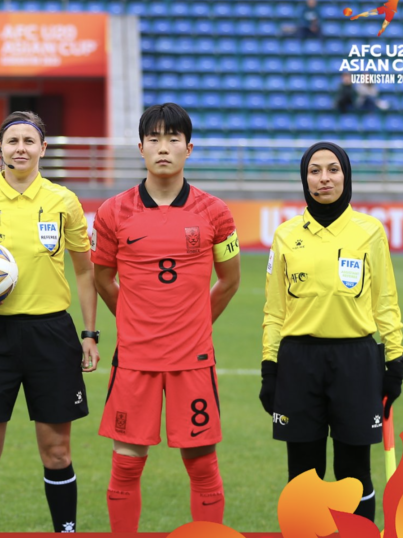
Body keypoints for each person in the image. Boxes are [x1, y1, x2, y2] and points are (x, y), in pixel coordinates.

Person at [0, 110, 100, 533]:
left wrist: (89, 333)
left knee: (57, 451)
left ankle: (64, 530)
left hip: (51, 334)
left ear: (43, 148)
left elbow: (85, 272)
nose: (21, 148)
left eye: (29, 141)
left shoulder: (63, 201)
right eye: (12, 141)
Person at [93, 103, 241, 532]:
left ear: (188, 148)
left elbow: (229, 281)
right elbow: (103, 278)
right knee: (125, 466)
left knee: (202, 467)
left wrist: (192, 325)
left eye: (173, 139)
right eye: (154, 139)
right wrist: (140, 322)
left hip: (192, 361)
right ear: (140, 147)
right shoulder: (112, 212)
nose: (163, 147)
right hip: (135, 360)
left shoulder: (215, 212)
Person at [260, 142, 403, 522]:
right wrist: (269, 368)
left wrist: (395, 361)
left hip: (356, 361)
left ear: (346, 175)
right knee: (303, 476)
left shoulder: (369, 231)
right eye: (315, 171)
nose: (324, 178)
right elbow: (275, 311)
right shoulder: (286, 235)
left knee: (354, 474)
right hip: (298, 363)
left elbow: (385, 301)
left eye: (333, 169)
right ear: (304, 178)